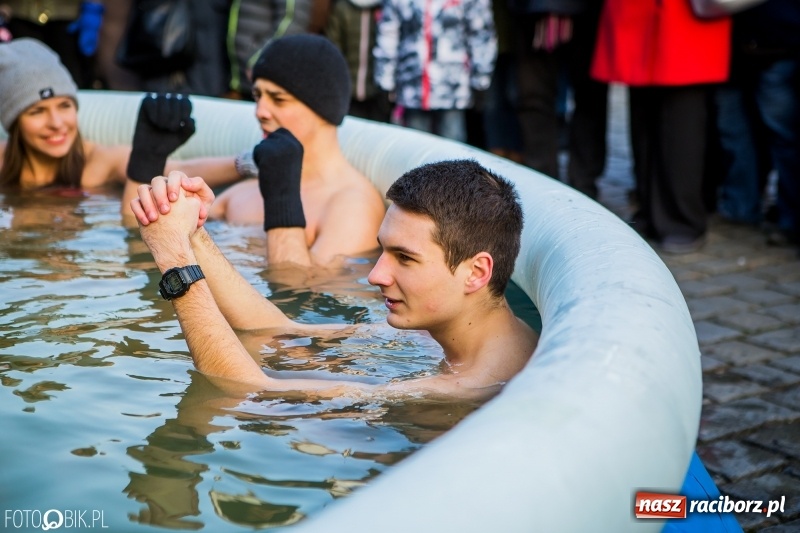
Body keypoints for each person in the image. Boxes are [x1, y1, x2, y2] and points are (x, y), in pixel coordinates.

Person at [130, 159, 539, 399]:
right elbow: (277, 330)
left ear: (476, 272)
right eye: (382, 250)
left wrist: (173, 258)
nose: (377, 275)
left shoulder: (467, 385)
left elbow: (245, 389)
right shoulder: (449, 332)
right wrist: (193, 233)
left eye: (405, 258)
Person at [0, 39, 241, 220]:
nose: (56, 123)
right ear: (12, 122)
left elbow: (180, 172)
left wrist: (249, 162)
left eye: (64, 106)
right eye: (37, 111)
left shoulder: (99, 161)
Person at [208, 34, 386, 267]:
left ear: (322, 108)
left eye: (278, 99)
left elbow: (296, 294)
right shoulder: (248, 188)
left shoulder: (353, 205)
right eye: (258, 96)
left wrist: (281, 199)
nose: (260, 111)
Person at [591, 0, 731, 254]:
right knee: (645, 126)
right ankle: (652, 212)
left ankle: (682, 218)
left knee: (681, 126)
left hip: (682, 17)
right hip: (641, 16)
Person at [373, 0, 497, 142]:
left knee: (452, 150)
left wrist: (481, 79)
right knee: (415, 148)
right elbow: (388, 34)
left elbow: (481, 34)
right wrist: (385, 82)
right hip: (412, 88)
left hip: (452, 89)